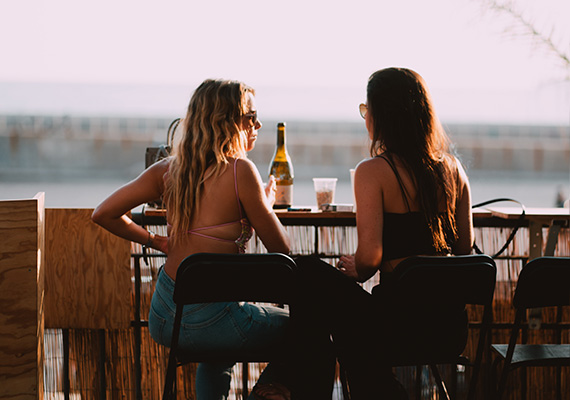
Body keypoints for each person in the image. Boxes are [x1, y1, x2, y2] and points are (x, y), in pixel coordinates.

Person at [92, 79, 292, 400]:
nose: (258, 124)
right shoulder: (242, 171)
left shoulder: (169, 169)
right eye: (250, 116)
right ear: (226, 120)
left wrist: (157, 241)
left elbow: (103, 212)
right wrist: (264, 205)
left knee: (218, 350)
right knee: (308, 329)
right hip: (215, 320)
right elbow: (282, 250)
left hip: (165, 317)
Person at [288, 67, 475, 399]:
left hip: (396, 327)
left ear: (382, 116)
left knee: (305, 273)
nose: (365, 119)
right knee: (350, 335)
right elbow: (464, 248)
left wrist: (353, 268)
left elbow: (370, 259)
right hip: (449, 329)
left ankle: (307, 390)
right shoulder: (453, 170)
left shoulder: (373, 172)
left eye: (366, 110)